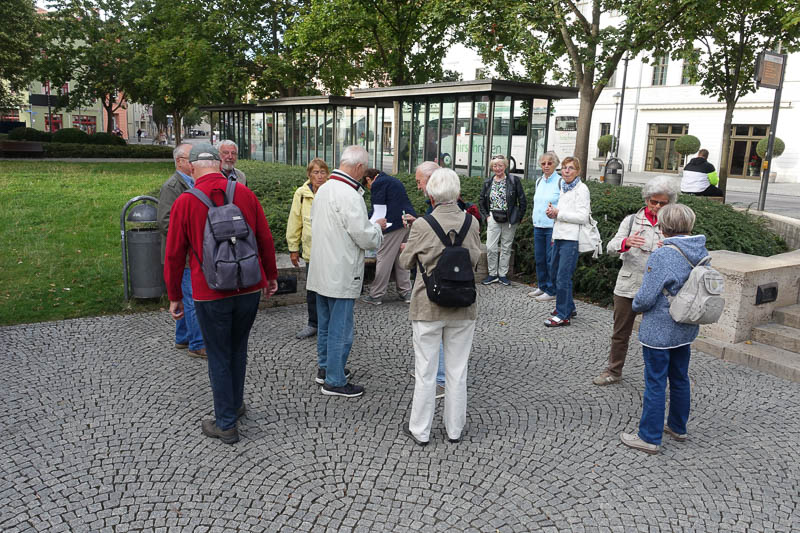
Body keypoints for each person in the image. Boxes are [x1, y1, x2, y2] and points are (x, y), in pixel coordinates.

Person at [164, 143, 278, 444]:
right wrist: (270, 277)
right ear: (218, 163)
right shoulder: (244, 193)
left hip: (209, 291)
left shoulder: (185, 202)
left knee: (217, 353)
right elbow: (264, 238)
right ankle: (236, 404)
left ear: (191, 168)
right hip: (249, 287)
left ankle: (225, 423)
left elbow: (174, 255)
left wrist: (174, 294)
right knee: (238, 347)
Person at [398, 168, 482, 446]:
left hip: (428, 307)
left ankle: (420, 430)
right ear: (457, 194)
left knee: (425, 370)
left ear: (430, 195)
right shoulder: (472, 223)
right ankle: (454, 429)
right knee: (457, 370)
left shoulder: (422, 225)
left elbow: (405, 262)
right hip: (463, 305)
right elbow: (476, 261)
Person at [621, 204, 706, 454]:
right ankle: (678, 427)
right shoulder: (698, 249)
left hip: (660, 329)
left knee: (655, 382)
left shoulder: (663, 254)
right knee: (680, 378)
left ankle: (649, 437)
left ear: (664, 226)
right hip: (686, 326)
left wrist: (635, 305)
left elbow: (645, 298)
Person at [306, 145, 384, 398]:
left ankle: (327, 368)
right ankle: (335, 381)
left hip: (320, 269)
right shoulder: (350, 195)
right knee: (340, 328)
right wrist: (378, 228)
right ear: (359, 167)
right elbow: (365, 237)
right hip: (340, 271)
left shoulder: (324, 188)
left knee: (326, 325)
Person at [593, 176, 677, 385]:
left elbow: (682, 253)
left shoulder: (673, 223)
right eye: (653, 201)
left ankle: (659, 376)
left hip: (659, 288)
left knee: (659, 336)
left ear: (670, 203)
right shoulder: (631, 220)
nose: (657, 206)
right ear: (646, 199)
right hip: (628, 284)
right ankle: (614, 370)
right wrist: (626, 242)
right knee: (620, 333)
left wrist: (668, 249)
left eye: (662, 203)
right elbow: (611, 247)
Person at [157, 144, 205, 358]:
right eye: (190, 158)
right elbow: (165, 222)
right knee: (193, 299)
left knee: (187, 296)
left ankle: (183, 337)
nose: (194, 162)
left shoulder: (192, 183)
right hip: (184, 253)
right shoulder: (172, 186)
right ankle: (197, 344)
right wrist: (190, 234)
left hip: (189, 252)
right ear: (179, 161)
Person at [543, 156, 589, 327]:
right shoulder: (563, 186)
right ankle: (568, 306)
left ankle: (563, 315)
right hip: (559, 236)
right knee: (555, 274)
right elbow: (562, 212)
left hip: (571, 239)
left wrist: (558, 214)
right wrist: (553, 214)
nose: (566, 171)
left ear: (577, 171)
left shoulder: (581, 189)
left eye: (570, 168)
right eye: (564, 168)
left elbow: (583, 217)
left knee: (563, 277)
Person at [286, 158, 330, 339]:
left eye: (322, 172)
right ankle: (313, 323)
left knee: (330, 289)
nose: (319, 176)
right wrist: (293, 247)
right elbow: (294, 220)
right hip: (311, 251)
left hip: (330, 250)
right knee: (312, 290)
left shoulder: (332, 191)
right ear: (309, 174)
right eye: (315, 172)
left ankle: (329, 324)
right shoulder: (302, 193)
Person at [360, 168, 417, 305]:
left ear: (369, 179)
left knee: (383, 257)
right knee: (401, 258)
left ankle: (376, 294)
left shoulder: (379, 183)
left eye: (367, 186)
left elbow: (378, 209)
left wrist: (366, 223)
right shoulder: (392, 180)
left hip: (393, 224)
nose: (369, 188)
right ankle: (405, 292)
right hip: (406, 221)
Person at [479, 154, 527, 286]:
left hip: (510, 218)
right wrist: (486, 217)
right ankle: (492, 274)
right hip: (493, 217)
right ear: (491, 167)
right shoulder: (488, 182)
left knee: (506, 247)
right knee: (491, 247)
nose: (498, 168)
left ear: (505, 166)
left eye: (500, 165)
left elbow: (522, 200)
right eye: (495, 165)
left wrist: (518, 218)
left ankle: (502, 274)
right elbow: (481, 201)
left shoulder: (513, 181)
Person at [528, 151, 561, 301]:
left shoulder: (560, 182)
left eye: (550, 163)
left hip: (552, 226)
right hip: (538, 225)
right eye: (543, 163)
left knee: (550, 259)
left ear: (556, 164)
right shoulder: (539, 181)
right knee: (540, 258)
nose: (546, 166)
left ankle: (551, 289)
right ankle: (542, 286)